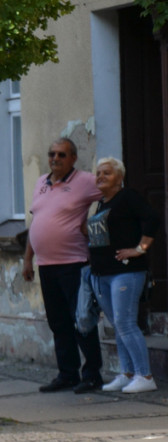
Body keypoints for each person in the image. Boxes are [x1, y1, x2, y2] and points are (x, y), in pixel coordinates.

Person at [22, 137, 104, 393]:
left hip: (74, 264)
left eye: (61, 155)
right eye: (51, 154)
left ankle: (92, 375)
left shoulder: (85, 181)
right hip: (46, 265)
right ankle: (67, 374)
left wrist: (93, 223)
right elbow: (36, 223)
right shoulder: (40, 183)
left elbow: (114, 194)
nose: (55, 159)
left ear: (73, 158)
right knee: (58, 322)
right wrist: (27, 259)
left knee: (82, 320)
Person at [87, 157, 161, 393]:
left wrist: (140, 249)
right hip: (102, 273)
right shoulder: (101, 203)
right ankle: (127, 372)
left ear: (119, 177)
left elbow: (153, 218)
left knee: (125, 322)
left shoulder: (128, 197)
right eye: (98, 173)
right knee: (117, 325)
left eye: (106, 173)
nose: (100, 177)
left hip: (126, 271)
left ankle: (145, 375)